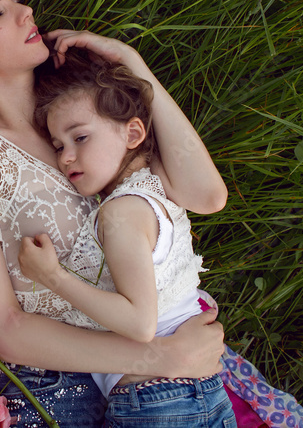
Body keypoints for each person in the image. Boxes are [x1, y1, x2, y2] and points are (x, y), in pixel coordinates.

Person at [0, 0, 228, 427]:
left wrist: (133, 66)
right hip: (60, 383)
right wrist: (160, 359)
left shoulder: (86, 108)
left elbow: (207, 196)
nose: (25, 11)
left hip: (160, 372)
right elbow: (6, 328)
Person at [18, 47, 236, 426]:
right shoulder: (155, 185)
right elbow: (211, 195)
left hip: (157, 398)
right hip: (197, 389)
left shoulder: (121, 212)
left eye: (80, 138)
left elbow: (139, 323)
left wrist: (53, 277)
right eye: (58, 146)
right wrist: (132, 61)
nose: (66, 157)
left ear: (134, 131)